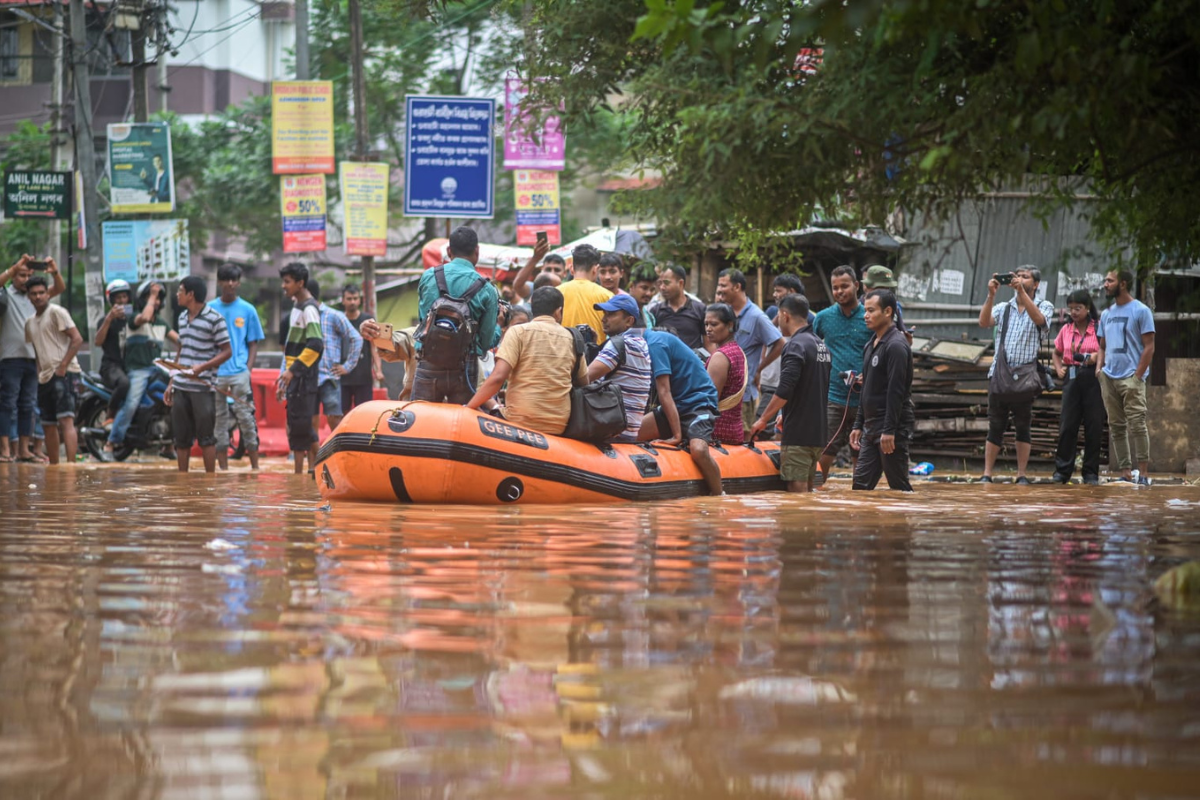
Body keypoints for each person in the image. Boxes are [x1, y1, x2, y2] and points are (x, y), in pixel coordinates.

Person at [466, 286, 587, 435]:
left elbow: (498, 377)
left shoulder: (518, 332)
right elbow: (584, 382)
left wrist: (469, 408)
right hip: (559, 425)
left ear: (532, 308)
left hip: (517, 420)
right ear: (559, 311)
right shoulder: (573, 339)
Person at [977, 265, 1055, 484]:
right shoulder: (1004, 307)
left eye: (1025, 277)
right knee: (995, 425)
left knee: (1023, 425)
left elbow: (1040, 320)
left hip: (1025, 377)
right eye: (1017, 276)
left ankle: (1021, 474)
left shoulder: (1044, 305)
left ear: (1036, 284)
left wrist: (1021, 292)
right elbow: (983, 322)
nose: (1019, 279)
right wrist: (991, 295)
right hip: (1000, 374)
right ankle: (987, 474)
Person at [749, 294, 831, 492]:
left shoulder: (795, 345)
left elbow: (785, 388)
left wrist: (763, 419)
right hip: (818, 433)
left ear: (785, 315)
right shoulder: (820, 345)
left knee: (796, 494)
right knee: (809, 491)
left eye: (778, 316)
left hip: (798, 435)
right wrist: (785, 415)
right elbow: (811, 387)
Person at [409, 226, 500, 403]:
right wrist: (498, 327)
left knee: (421, 415)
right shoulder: (487, 289)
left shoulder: (429, 276)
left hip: (429, 361)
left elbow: (423, 322)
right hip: (464, 368)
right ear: (477, 251)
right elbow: (485, 343)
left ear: (449, 251)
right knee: (461, 419)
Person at [639, 329, 723, 496]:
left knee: (698, 450)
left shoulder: (655, 343)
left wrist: (676, 436)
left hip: (698, 404)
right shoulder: (640, 346)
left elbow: (664, 391)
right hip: (675, 407)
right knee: (630, 435)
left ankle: (719, 495)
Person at [1, 254, 65, 462]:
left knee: (28, 406)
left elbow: (59, 288)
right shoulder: (6, 294)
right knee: (7, 404)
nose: (25, 279)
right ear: (13, 276)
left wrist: (54, 271)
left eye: (29, 275)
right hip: (10, 358)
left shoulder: (33, 297)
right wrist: (13, 268)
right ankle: (5, 450)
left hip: (32, 358)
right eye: (21, 275)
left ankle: (23, 450)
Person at [1095, 269, 1156, 484]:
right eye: (1105, 280)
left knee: (1137, 424)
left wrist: (1137, 377)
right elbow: (1102, 346)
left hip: (1132, 377)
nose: (1105, 284)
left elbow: (1149, 346)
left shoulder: (1141, 311)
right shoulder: (1106, 314)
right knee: (1116, 426)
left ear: (1123, 284)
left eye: (1109, 281)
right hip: (1109, 377)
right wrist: (1099, 369)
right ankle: (1126, 472)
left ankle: (1144, 474)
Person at [850, 289, 914, 492]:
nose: (865, 315)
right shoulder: (871, 344)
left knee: (899, 488)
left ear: (887, 312)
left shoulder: (896, 345)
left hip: (891, 427)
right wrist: (858, 423)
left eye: (871, 310)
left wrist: (889, 430)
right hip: (871, 428)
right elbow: (866, 389)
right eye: (865, 310)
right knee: (860, 488)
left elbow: (896, 392)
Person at [813, 265, 873, 476]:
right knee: (824, 451)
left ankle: (860, 493)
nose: (839, 291)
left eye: (844, 286)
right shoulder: (823, 318)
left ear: (857, 286)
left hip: (866, 399)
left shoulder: (869, 317)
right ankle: (816, 491)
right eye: (835, 287)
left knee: (862, 456)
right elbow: (810, 347)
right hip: (833, 397)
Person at [168, 275, 231, 473]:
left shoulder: (215, 319)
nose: (177, 294)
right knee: (181, 439)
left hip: (202, 387)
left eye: (180, 291)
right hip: (181, 386)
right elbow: (181, 349)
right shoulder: (181, 317)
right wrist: (171, 381)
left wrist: (202, 367)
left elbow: (227, 351)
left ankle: (210, 481)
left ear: (191, 294)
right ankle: (182, 481)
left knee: (206, 438)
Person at [715, 268, 784, 438]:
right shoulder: (723, 312)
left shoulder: (756, 316)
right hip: (721, 392)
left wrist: (759, 369)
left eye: (723, 285)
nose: (720, 290)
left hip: (743, 396)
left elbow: (780, 343)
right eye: (719, 285)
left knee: (742, 438)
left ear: (737, 287)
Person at [208, 263, 264, 470]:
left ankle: (255, 468)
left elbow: (253, 343)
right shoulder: (210, 309)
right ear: (219, 282)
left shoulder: (248, 310)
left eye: (234, 280)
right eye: (226, 280)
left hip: (240, 372)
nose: (230, 284)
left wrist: (248, 369)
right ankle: (223, 470)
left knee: (246, 418)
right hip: (216, 373)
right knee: (219, 421)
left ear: (239, 283)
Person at [23, 276, 83, 464]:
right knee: (48, 424)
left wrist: (63, 367)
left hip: (65, 373)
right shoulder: (29, 323)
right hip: (45, 377)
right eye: (34, 294)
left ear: (48, 294)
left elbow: (77, 339)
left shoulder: (57, 312)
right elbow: (37, 351)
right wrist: (40, 374)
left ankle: (71, 466)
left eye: (41, 293)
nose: (38, 297)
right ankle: (55, 467)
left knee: (66, 420)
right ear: (28, 297)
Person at [108, 281, 171, 457]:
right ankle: (111, 442)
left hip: (158, 370)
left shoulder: (162, 323)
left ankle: (170, 444)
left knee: (174, 399)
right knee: (131, 404)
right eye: (151, 297)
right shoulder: (133, 318)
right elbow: (144, 317)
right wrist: (153, 294)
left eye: (158, 298)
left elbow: (180, 340)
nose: (155, 301)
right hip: (138, 371)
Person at [1051, 289, 1105, 485]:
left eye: (1078, 308)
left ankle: (1090, 472)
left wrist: (1096, 358)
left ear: (1088, 308)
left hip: (1094, 378)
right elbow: (1056, 352)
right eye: (1071, 308)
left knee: (1094, 425)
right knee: (1068, 425)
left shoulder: (1098, 328)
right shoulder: (1066, 330)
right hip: (1072, 378)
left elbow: (1106, 350)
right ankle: (1062, 471)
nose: (1073, 312)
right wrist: (1059, 369)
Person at [586, 294, 653, 442]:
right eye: (604, 314)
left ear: (629, 321)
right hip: (629, 432)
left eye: (611, 314)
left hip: (613, 432)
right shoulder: (639, 343)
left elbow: (584, 378)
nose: (604, 319)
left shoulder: (620, 344)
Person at [277, 262, 324, 474]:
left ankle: (323, 469)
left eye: (287, 282)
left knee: (303, 427)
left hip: (304, 377)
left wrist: (292, 371)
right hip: (296, 377)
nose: (283, 286)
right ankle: (300, 477)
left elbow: (316, 344)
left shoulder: (309, 309)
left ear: (300, 283)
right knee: (298, 428)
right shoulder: (297, 306)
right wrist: (286, 377)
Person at [308, 279, 362, 446]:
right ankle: (314, 457)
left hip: (329, 376)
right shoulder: (300, 315)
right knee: (310, 418)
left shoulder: (333, 315)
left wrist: (347, 366)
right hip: (307, 376)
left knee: (334, 417)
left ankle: (338, 452)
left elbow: (356, 338)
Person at [756, 273, 810, 439]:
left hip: (791, 382)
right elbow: (766, 339)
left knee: (782, 428)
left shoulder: (808, 317)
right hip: (771, 379)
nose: (774, 294)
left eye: (778, 290)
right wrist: (761, 367)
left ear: (791, 291)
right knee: (762, 428)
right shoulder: (773, 312)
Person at [703, 303, 748, 445]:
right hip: (735, 429)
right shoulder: (737, 351)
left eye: (714, 324)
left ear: (729, 325)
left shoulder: (721, 356)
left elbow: (709, 401)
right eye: (706, 324)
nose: (708, 329)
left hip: (717, 430)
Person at [339, 283, 383, 414]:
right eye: (349, 299)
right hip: (342, 376)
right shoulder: (339, 320)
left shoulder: (367, 320)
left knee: (364, 413)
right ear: (343, 300)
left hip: (363, 376)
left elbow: (374, 347)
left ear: (359, 300)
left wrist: (378, 370)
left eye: (355, 298)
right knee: (342, 413)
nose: (352, 302)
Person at [96, 279, 132, 429]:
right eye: (118, 298)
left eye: (124, 297)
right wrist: (109, 319)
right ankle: (110, 415)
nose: (122, 301)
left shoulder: (132, 320)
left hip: (130, 365)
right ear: (111, 300)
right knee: (124, 383)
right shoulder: (104, 321)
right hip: (111, 366)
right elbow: (98, 341)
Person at [559, 244, 613, 344]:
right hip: (596, 352)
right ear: (595, 269)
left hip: (563, 351)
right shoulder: (607, 296)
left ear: (572, 269)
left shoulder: (557, 292)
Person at [648, 264, 707, 349]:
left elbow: (709, 344)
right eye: (660, 283)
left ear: (680, 283)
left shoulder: (699, 309)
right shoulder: (655, 311)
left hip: (692, 357)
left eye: (666, 283)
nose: (662, 287)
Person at [861, 265, 910, 339]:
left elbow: (901, 331)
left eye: (887, 288)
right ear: (868, 287)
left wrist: (906, 339)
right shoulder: (857, 308)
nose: (885, 292)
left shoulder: (893, 307)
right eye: (881, 288)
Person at [627, 263, 658, 329]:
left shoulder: (650, 318)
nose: (649, 293)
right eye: (644, 288)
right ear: (631, 286)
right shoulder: (619, 314)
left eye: (652, 290)